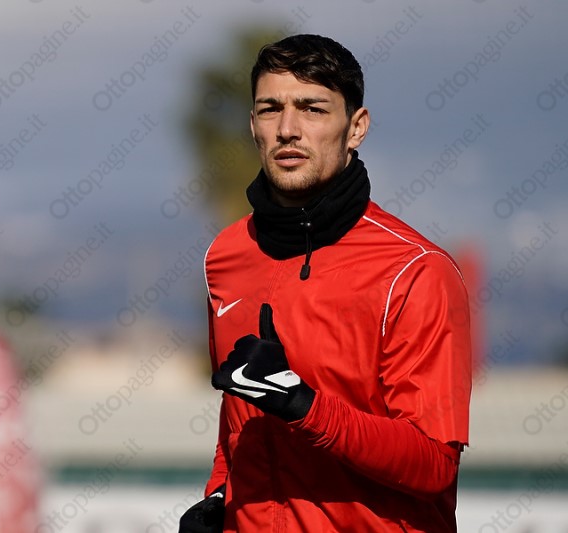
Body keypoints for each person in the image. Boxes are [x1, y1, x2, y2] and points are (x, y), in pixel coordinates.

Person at [179, 34, 472, 532]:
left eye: (312, 109)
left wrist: (304, 407)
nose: (287, 129)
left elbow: (433, 464)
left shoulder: (417, 271)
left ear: (356, 128)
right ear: (253, 125)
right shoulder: (225, 255)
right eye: (270, 109)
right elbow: (238, 419)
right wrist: (219, 495)